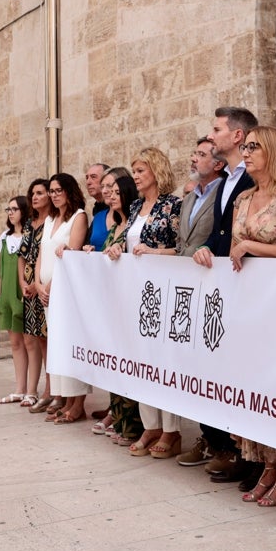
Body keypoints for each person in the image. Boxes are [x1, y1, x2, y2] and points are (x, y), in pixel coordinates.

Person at [198, 125, 276, 506]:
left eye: (254, 147)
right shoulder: (243, 196)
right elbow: (232, 251)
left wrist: (252, 247)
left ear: (273, 152)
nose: (246, 153)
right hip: (246, 303)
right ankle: (268, 466)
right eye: (244, 147)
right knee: (252, 389)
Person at [192, 106, 261, 488]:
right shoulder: (228, 179)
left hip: (247, 287)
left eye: (216, 129)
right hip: (226, 283)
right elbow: (220, 231)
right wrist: (204, 249)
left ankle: (256, 459)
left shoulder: (252, 175)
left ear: (237, 136)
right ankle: (237, 450)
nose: (211, 134)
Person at [106, 149, 183, 458]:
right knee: (142, 361)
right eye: (134, 170)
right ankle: (150, 425)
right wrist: (115, 250)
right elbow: (128, 243)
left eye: (140, 170)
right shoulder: (136, 205)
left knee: (164, 361)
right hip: (135, 292)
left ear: (157, 170)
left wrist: (156, 254)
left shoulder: (173, 205)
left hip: (164, 292)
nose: (135, 175)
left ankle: (171, 430)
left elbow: (182, 249)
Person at [174, 138, 226, 466]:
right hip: (186, 286)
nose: (195, 158)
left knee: (213, 367)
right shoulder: (192, 194)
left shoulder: (224, 193)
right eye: (194, 153)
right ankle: (207, 437)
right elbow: (183, 240)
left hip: (213, 285)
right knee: (191, 369)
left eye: (202, 154)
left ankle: (224, 444)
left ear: (219, 163)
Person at [90, 169, 144, 444]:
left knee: (130, 363)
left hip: (131, 303)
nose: (110, 196)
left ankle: (133, 426)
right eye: (108, 192)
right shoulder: (114, 228)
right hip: (112, 303)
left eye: (116, 192)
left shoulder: (131, 228)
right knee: (116, 365)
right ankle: (120, 421)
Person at [39, 172, 89, 423]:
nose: (54, 195)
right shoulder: (50, 219)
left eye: (58, 190)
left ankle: (77, 402)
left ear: (69, 191)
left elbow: (74, 253)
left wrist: (51, 284)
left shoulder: (78, 217)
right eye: (52, 190)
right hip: (47, 291)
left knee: (69, 343)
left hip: (65, 289)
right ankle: (64, 398)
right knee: (57, 344)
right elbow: (42, 253)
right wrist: (38, 284)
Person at [20, 179, 56, 413]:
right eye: (33, 193)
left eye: (40, 193)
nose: (35, 197)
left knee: (49, 338)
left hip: (43, 285)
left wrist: (35, 283)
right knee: (38, 339)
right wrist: (23, 282)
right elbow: (21, 256)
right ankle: (46, 386)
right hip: (29, 289)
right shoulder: (28, 223)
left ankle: (52, 388)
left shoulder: (51, 223)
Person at [0, 196, 30, 404]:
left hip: (24, 293)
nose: (10, 212)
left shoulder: (29, 235)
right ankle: (20, 388)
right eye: (8, 209)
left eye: (14, 209)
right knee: (15, 343)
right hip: (7, 295)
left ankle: (35, 389)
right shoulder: (5, 238)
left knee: (30, 342)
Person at [85, 163, 111, 251]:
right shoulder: (97, 209)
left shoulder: (116, 207)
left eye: (93, 177)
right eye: (87, 178)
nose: (88, 182)